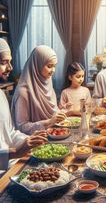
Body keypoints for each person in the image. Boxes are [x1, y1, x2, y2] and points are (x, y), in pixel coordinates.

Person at [0, 38, 47, 174]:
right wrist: (16, 151)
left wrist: (30, 140)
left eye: (10, 62)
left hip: (12, 165)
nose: (10, 68)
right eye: (4, 63)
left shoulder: (1, 95)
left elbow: (10, 133)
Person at [11, 45, 66, 135]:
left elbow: (53, 112)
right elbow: (21, 127)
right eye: (49, 66)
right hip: (35, 140)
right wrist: (48, 122)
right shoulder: (23, 92)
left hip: (54, 133)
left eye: (54, 66)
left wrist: (62, 111)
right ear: (37, 65)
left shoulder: (47, 83)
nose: (53, 70)